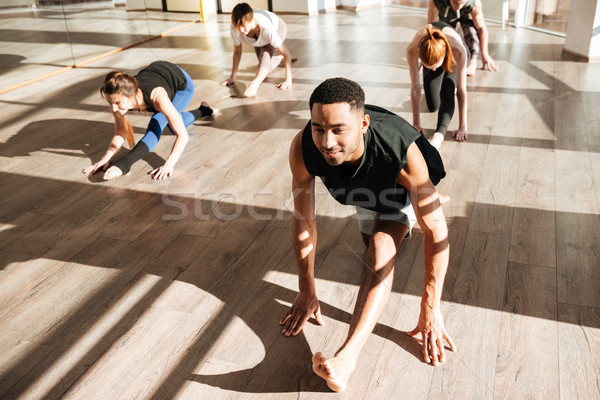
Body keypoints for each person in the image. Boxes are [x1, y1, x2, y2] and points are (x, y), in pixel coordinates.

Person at [279, 77, 456, 392]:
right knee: (369, 233)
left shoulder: (401, 153)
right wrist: (306, 289)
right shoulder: (305, 146)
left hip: (395, 187)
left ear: (363, 123)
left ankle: (346, 359)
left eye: (338, 130)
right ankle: (420, 205)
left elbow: (438, 234)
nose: (327, 142)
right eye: (319, 128)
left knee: (379, 248)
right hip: (360, 192)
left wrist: (431, 306)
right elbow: (304, 220)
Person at [83, 61, 215, 181]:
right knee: (171, 122)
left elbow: (183, 136)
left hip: (182, 85)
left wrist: (169, 165)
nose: (113, 108)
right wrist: (104, 159)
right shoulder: (118, 98)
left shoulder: (158, 97)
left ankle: (125, 163)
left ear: (132, 96)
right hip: (159, 74)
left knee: (159, 121)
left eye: (117, 103)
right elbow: (119, 134)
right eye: (110, 102)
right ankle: (204, 109)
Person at [407, 23, 469, 148]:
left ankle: (439, 135)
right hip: (434, 52)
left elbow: (462, 90)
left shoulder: (458, 49)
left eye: (435, 67)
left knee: (448, 88)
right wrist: (416, 124)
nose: (434, 70)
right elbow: (415, 88)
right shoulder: (413, 49)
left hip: (453, 55)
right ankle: (431, 65)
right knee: (433, 105)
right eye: (429, 67)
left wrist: (463, 126)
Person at [220, 2, 294, 97]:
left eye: (243, 26)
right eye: (238, 27)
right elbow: (237, 52)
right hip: (257, 38)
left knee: (265, 57)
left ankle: (254, 85)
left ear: (251, 20)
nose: (241, 30)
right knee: (267, 67)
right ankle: (279, 58)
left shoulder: (267, 29)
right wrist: (232, 77)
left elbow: (286, 53)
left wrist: (288, 80)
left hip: (277, 27)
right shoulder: (236, 28)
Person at [428, 0, 499, 76]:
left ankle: (473, 61)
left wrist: (485, 54)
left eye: (461, 3)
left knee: (471, 29)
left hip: (466, 12)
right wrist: (428, 53)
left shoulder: (474, 3)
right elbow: (431, 26)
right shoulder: (435, 1)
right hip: (447, 11)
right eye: (455, 2)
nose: (458, 7)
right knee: (441, 32)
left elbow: (481, 28)